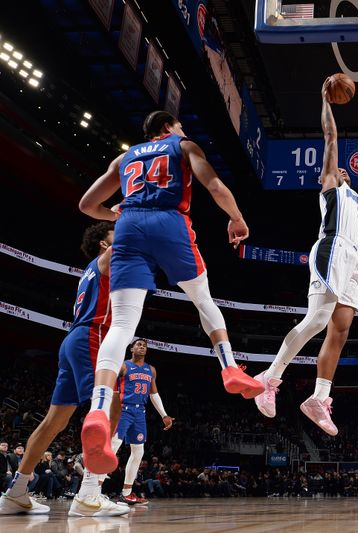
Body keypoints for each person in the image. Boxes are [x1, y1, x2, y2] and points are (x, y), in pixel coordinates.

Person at [78, 111, 263, 474]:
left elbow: (86, 205)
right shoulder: (183, 145)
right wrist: (237, 217)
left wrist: (121, 215)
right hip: (170, 222)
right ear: (167, 128)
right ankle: (229, 368)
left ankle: (98, 409)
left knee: (123, 325)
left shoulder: (125, 157)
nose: (183, 130)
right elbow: (213, 185)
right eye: (179, 125)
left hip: (129, 227)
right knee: (203, 299)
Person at [253, 78, 358, 435]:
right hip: (331, 249)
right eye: (337, 169)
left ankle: (318, 398)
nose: (342, 170)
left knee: (340, 330)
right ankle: (269, 378)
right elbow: (330, 137)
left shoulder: (356, 203)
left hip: (353, 262)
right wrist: (325, 101)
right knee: (317, 321)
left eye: (344, 170)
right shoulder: (331, 186)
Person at [0, 223, 129, 516]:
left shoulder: (89, 271)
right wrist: (136, 210)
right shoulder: (105, 259)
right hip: (91, 336)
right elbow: (127, 242)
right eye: (113, 236)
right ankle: (88, 496)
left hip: (74, 340)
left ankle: (16, 493)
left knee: (53, 422)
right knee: (112, 406)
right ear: (103, 244)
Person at [110, 338, 174, 505]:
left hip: (140, 412)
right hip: (123, 410)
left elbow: (154, 394)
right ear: (131, 348)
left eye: (144, 345)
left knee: (138, 452)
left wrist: (164, 415)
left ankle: (126, 492)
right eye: (138, 344)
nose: (142, 347)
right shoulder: (123, 366)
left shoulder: (150, 370)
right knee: (112, 448)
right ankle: (95, 490)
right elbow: (113, 389)